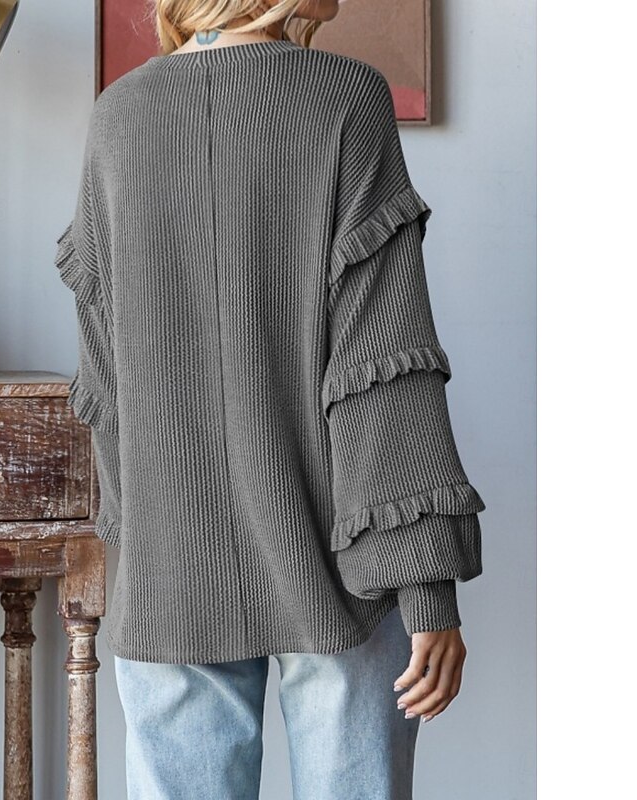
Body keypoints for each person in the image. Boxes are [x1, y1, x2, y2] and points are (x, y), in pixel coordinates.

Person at [54, 1, 487, 797]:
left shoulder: (118, 116)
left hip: (168, 579)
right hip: (341, 572)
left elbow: (106, 385)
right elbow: (384, 366)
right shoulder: (346, 99)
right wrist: (427, 585)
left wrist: (137, 559)